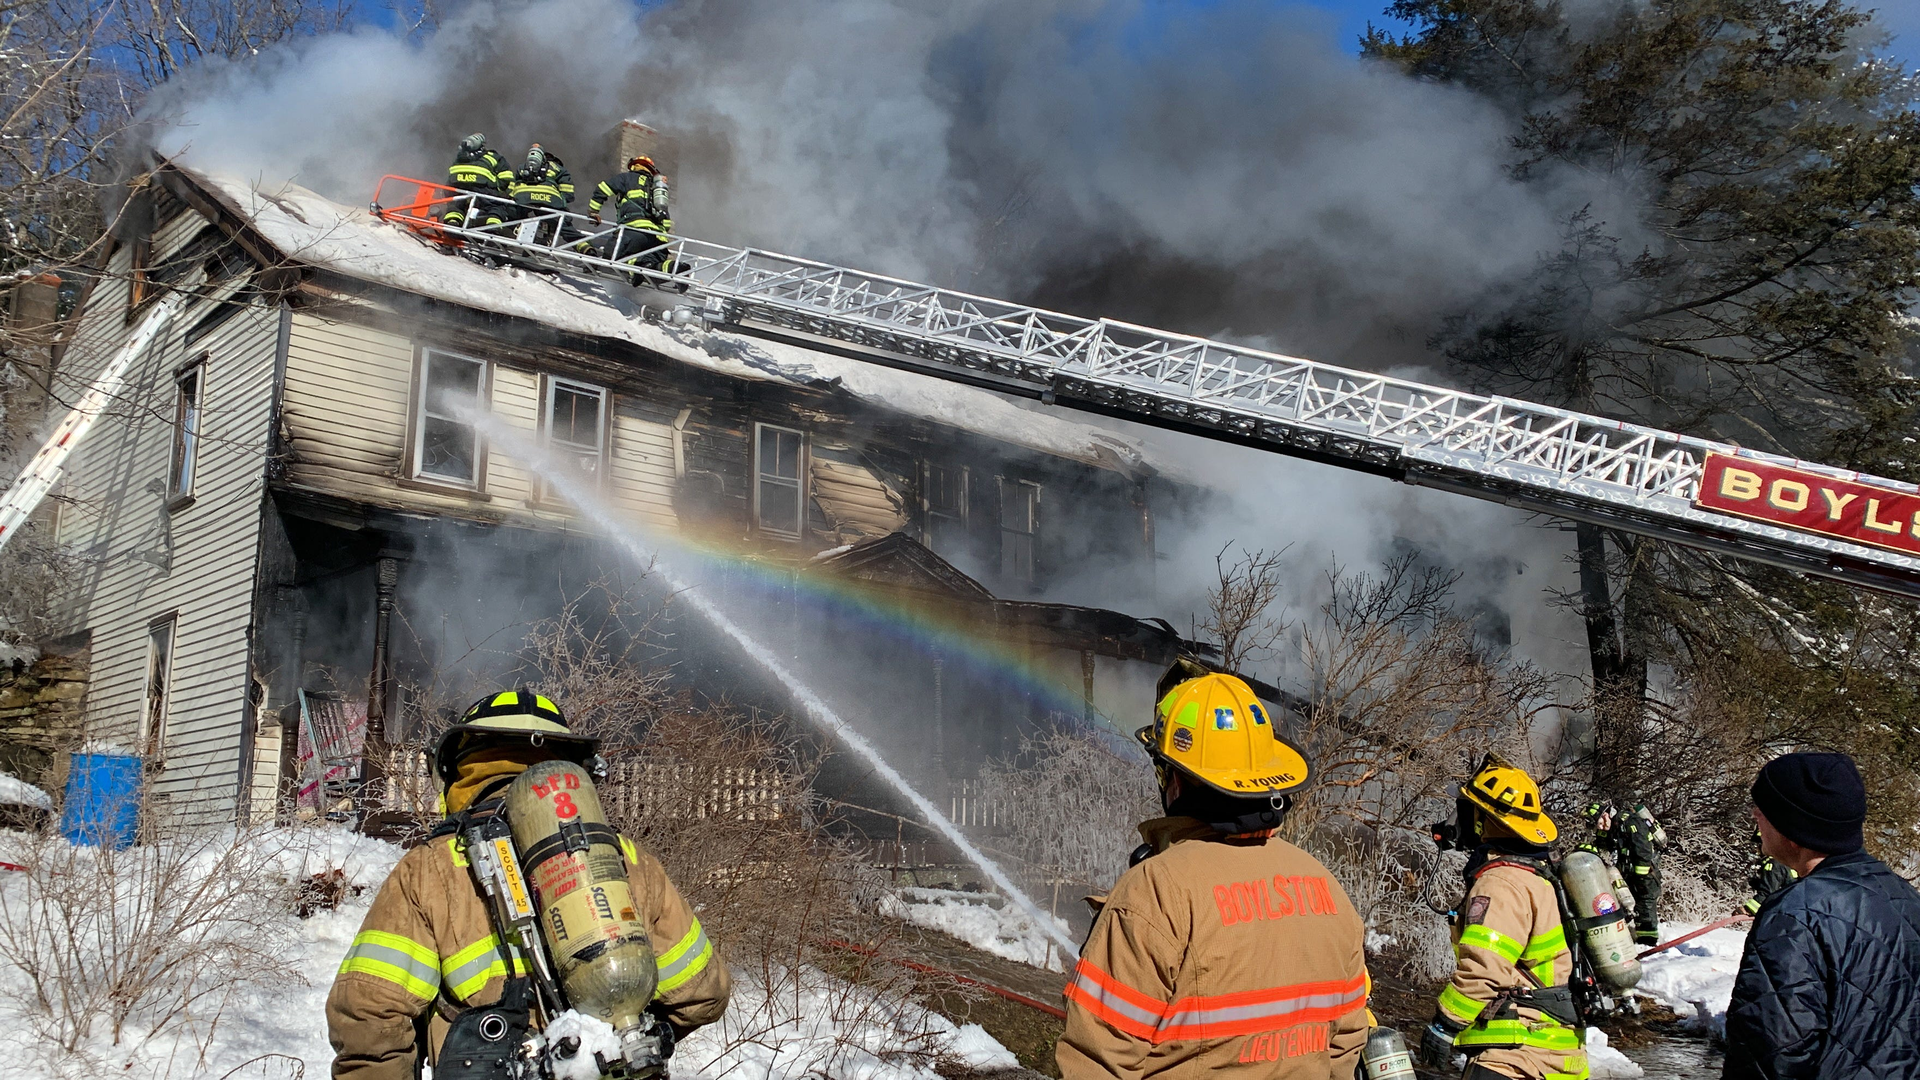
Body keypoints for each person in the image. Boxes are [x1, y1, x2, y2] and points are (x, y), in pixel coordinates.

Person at [327, 689, 730, 1079]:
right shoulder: (627, 858)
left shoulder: (429, 869)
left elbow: (368, 1017)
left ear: (461, 767)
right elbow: (703, 994)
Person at [1056, 660, 1371, 1080]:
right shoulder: (1326, 888)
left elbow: (1097, 1064)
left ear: (1176, 781)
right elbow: (1346, 1044)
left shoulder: (1156, 891)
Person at [1723, 752, 1920, 1079]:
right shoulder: (1905, 896)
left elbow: (1772, 1056)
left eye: (1765, 810)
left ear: (1792, 830)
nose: (1756, 815)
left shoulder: (1794, 914)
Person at [1420, 754, 1586, 1080]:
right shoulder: (1537, 874)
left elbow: (1485, 968)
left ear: (1483, 819)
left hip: (1516, 1056)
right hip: (1555, 1054)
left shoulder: (1502, 882)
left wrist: (1444, 1024)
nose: (1461, 819)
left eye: (1468, 810)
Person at [1581, 798, 1664, 945]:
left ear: (1605, 815)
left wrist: (1641, 875)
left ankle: (1648, 942)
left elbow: (1643, 849)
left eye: (1599, 823)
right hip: (1628, 872)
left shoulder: (1630, 822)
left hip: (1645, 874)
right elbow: (1602, 847)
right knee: (1629, 905)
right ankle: (1634, 938)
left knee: (1645, 903)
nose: (1600, 828)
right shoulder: (1611, 827)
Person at [586, 156, 676, 282]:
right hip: (658, 239)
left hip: (633, 231)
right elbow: (666, 222)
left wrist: (593, 211)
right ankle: (673, 268)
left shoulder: (627, 178)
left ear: (634, 166)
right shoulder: (656, 188)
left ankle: (633, 267)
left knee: (611, 256)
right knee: (652, 268)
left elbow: (603, 189)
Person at [508, 144, 577, 245]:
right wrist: (559, 201)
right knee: (563, 222)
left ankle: (519, 228)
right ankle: (586, 249)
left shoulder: (523, 167)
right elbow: (568, 194)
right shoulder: (558, 169)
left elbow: (513, 186)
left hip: (524, 198)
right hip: (548, 201)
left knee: (508, 213)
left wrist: (511, 196)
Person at [442, 132, 511, 228]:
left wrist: (449, 193)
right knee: (496, 204)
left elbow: (450, 180)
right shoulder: (492, 156)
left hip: (458, 184)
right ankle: (493, 225)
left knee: (456, 203)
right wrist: (498, 189)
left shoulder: (460, 158)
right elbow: (506, 177)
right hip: (482, 186)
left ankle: (453, 220)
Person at [1743, 834, 1797, 916]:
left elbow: (1767, 893)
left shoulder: (1774, 865)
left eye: (1760, 844)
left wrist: (1747, 910)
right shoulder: (1786, 861)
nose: (1757, 849)